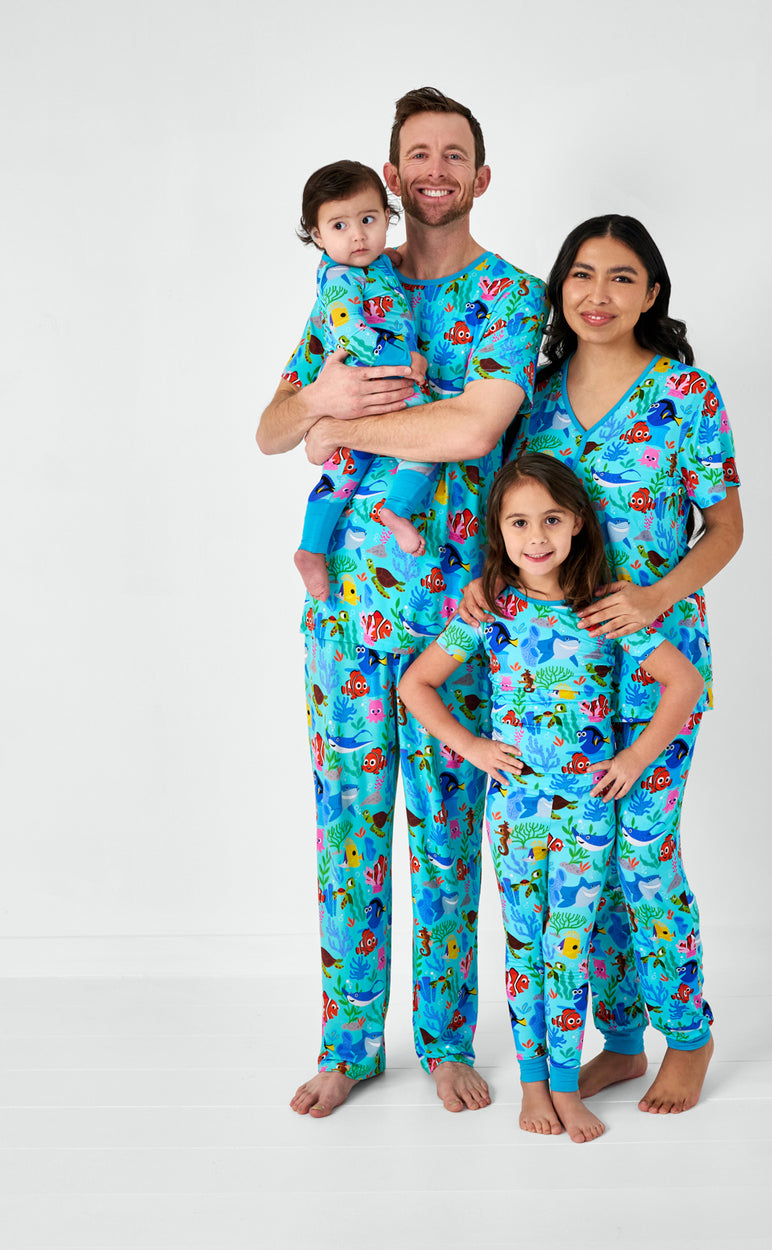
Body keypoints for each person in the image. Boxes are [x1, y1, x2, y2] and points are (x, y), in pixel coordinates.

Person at [256, 87, 547, 1118]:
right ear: (389, 174)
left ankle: (439, 1040)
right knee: (347, 825)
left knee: (446, 826)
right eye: (415, 153)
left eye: (453, 153)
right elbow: (269, 425)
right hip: (343, 613)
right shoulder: (346, 285)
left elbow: (472, 433)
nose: (433, 168)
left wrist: (338, 431)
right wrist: (314, 405)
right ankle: (347, 1043)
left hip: (457, 616)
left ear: (480, 175)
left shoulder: (513, 299)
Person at [464, 215, 743, 1114]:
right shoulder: (533, 396)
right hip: (552, 678)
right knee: (583, 861)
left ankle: (687, 1037)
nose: (597, 295)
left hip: (657, 659)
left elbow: (727, 527)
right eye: (581, 275)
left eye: (622, 278)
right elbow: (508, 516)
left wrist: (659, 596)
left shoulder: (687, 394)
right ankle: (621, 1042)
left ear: (652, 293)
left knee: (643, 858)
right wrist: (479, 591)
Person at [399, 455, 704, 1142]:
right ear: (499, 532)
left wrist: (632, 758)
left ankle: (565, 1087)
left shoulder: (603, 609)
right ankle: (534, 1087)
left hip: (585, 812)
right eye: (518, 522)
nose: (536, 536)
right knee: (523, 945)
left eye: (551, 519)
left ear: (577, 525)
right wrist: (473, 747)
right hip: (513, 814)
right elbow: (417, 684)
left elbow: (682, 683)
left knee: (569, 946)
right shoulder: (492, 611)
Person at [288, 160, 438, 600]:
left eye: (368, 220)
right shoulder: (338, 277)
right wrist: (403, 359)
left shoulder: (376, 265)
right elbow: (350, 330)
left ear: (388, 219)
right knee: (411, 448)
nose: (357, 235)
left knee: (361, 467)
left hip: (386, 389)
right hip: (373, 385)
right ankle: (326, 543)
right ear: (317, 235)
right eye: (339, 225)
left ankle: (375, 519)